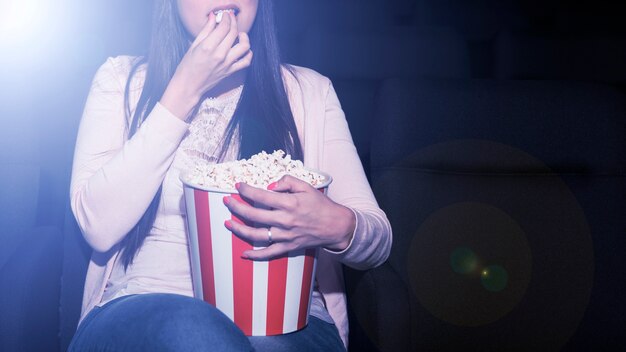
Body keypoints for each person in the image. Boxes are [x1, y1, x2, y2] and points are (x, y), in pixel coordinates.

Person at [68, 0, 392, 350]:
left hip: (286, 318)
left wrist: (336, 225)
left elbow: (379, 241)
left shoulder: (309, 91)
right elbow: (97, 227)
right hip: (143, 302)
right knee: (198, 334)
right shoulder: (121, 80)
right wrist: (184, 89)